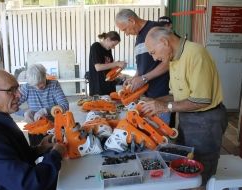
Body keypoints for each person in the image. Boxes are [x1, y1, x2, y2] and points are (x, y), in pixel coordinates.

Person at [141, 27, 228, 185]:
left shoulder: (196, 54)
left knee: (201, 172)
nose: (154, 58)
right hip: (188, 119)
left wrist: (164, 107)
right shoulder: (174, 59)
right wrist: (154, 102)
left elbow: (201, 100)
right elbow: (177, 96)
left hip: (206, 121)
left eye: (153, 52)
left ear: (164, 42)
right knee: (185, 164)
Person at [0, 68, 67, 190]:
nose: (19, 95)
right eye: (11, 90)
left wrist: (39, 149)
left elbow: (16, 158)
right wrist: (56, 154)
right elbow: (30, 183)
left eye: (17, 88)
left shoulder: (1, 121)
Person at [115, 9, 169, 99]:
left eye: (125, 30)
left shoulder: (155, 30)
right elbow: (142, 65)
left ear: (132, 21)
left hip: (161, 94)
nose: (127, 34)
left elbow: (169, 62)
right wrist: (134, 78)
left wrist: (144, 78)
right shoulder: (138, 37)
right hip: (146, 94)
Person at [19, 63, 69, 146]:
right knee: (38, 153)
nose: (38, 87)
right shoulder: (27, 87)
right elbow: (11, 106)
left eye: (41, 83)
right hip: (36, 129)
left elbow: (65, 105)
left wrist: (45, 111)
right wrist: (25, 113)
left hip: (55, 126)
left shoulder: (54, 85)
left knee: (59, 151)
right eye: (35, 85)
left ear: (45, 76)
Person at [88, 31, 126, 96]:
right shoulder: (96, 47)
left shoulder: (108, 50)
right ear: (107, 39)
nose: (113, 47)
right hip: (98, 88)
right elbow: (98, 67)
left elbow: (110, 66)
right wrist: (116, 64)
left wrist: (119, 69)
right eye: (113, 45)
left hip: (109, 86)